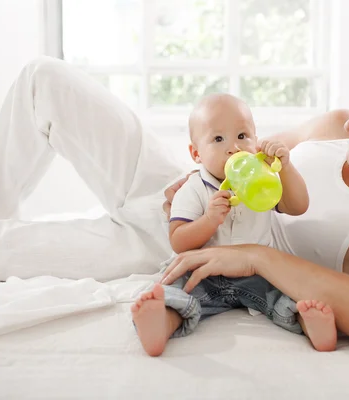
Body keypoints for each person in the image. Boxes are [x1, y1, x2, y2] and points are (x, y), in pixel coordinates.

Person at [0, 41, 349, 355]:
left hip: (183, 256)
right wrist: (193, 178)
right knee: (43, 78)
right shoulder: (337, 123)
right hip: (182, 195)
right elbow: (251, 150)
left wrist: (258, 258)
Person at [132, 94, 337, 356]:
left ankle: (309, 321)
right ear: (196, 153)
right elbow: (178, 240)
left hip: (256, 274)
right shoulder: (192, 189)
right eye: (218, 139)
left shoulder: (261, 180)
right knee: (176, 291)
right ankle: (160, 322)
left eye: (242, 136)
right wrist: (208, 221)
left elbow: (298, 206)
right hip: (201, 273)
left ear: (255, 139)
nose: (234, 148)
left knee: (288, 293)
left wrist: (284, 168)